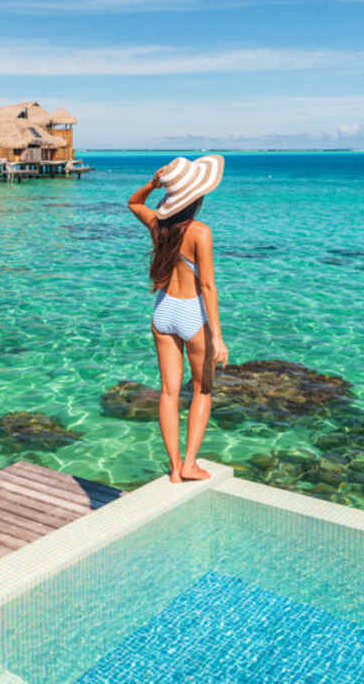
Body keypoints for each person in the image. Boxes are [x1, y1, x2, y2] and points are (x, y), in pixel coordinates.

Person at [127, 155, 228, 482]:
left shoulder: (158, 223)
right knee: (202, 390)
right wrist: (218, 337)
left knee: (169, 392)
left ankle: (173, 469)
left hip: (163, 311)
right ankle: (189, 464)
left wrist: (153, 184)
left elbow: (133, 202)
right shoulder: (201, 232)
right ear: (196, 196)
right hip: (191, 314)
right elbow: (208, 286)